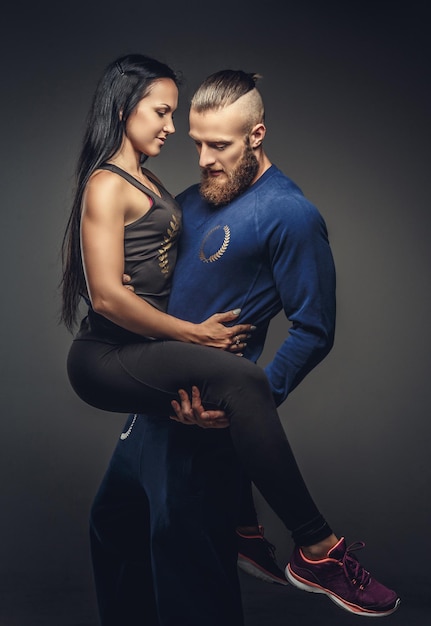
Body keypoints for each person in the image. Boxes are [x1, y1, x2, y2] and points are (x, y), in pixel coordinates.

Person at [61, 55, 400, 625]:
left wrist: (240, 406)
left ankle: (309, 548)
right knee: (114, 525)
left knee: (185, 555)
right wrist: (118, 286)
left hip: (203, 412)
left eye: (219, 145)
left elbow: (315, 328)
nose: (203, 159)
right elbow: (146, 276)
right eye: (196, 143)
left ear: (256, 134)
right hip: (154, 400)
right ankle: (244, 527)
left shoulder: (290, 214)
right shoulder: (191, 201)